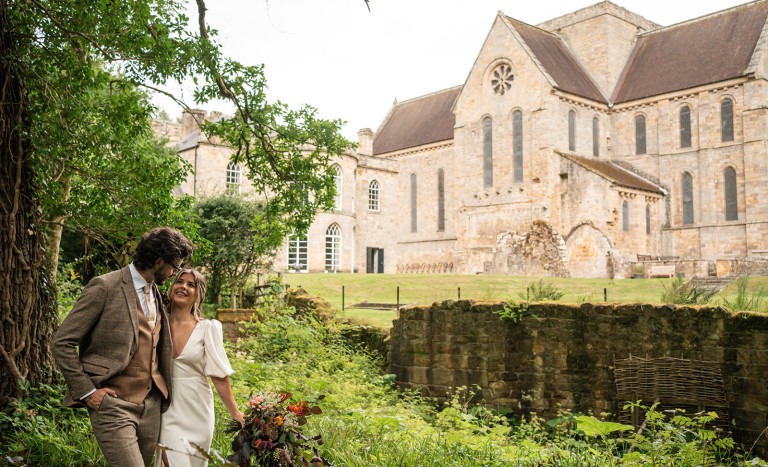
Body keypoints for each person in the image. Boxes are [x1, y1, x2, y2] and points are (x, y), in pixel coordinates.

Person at [52, 227, 193, 467]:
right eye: (175, 267)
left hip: (151, 406)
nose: (174, 273)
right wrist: (87, 392)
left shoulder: (156, 293)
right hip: (113, 405)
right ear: (159, 261)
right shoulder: (105, 286)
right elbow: (62, 342)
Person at [158, 268, 244, 467]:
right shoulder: (156, 323)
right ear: (171, 288)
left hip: (198, 410)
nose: (183, 287)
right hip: (165, 407)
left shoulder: (208, 328)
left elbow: (219, 376)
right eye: (179, 282)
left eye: (191, 284)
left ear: (198, 294)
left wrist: (235, 413)